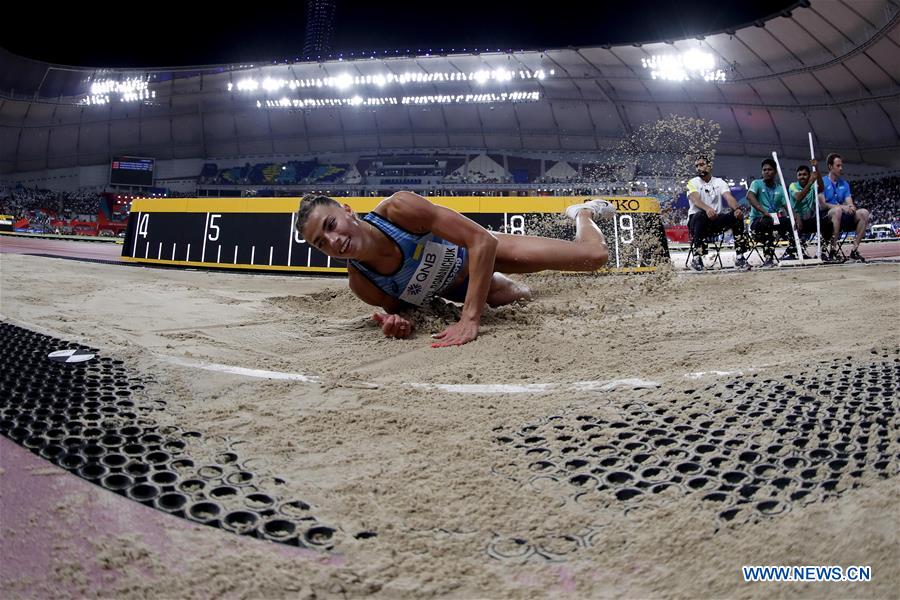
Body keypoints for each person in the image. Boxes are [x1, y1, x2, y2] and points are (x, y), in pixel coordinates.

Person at [295, 191, 615, 347]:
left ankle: (582, 213)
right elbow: (413, 310)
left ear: (348, 211)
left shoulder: (399, 210)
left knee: (595, 257)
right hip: (458, 287)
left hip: (480, 252)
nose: (333, 241)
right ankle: (498, 285)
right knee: (517, 296)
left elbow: (482, 241)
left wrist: (470, 318)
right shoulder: (363, 283)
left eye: (331, 225)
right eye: (321, 243)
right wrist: (400, 323)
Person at [685, 156, 750, 271]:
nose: (699, 168)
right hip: (696, 222)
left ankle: (740, 257)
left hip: (715, 220)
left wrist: (736, 209)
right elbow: (696, 200)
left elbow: (728, 197)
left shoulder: (720, 182)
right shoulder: (691, 182)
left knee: (737, 216)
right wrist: (707, 209)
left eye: (702, 164)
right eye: (697, 166)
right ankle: (696, 258)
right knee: (701, 215)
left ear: (710, 166)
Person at [820, 153, 869, 262]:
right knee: (837, 210)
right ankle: (833, 251)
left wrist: (851, 207)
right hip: (826, 217)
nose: (841, 168)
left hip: (841, 216)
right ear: (830, 166)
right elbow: (823, 205)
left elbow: (849, 203)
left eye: (841, 165)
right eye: (838, 166)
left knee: (864, 213)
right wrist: (842, 207)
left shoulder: (844, 184)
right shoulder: (822, 182)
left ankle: (854, 251)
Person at [747, 158, 792, 268]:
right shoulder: (756, 183)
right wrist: (764, 212)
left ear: (775, 172)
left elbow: (788, 207)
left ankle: (791, 252)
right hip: (757, 222)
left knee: (791, 221)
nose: (766, 172)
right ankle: (768, 257)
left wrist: (795, 217)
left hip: (773, 220)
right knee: (767, 220)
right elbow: (750, 196)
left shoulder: (780, 189)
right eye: (764, 170)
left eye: (770, 170)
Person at [785, 160, 832, 260]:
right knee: (793, 224)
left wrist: (817, 169)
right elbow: (798, 197)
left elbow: (821, 188)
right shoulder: (793, 186)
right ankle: (792, 252)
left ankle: (822, 251)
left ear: (809, 175)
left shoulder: (813, 186)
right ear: (797, 176)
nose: (802, 177)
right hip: (797, 219)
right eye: (799, 175)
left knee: (828, 223)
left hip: (810, 219)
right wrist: (810, 181)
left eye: (804, 174)